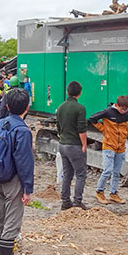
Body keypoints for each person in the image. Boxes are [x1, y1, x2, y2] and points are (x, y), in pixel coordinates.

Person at [0, 88, 34, 255]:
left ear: (7, 106)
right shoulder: (22, 130)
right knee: (12, 220)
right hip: (13, 179)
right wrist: (27, 188)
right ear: (27, 107)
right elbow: (24, 161)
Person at [89, 96, 128, 205]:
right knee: (107, 170)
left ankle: (114, 193)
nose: (124, 112)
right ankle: (99, 191)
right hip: (109, 145)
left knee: (116, 172)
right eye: (122, 109)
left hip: (121, 146)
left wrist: (124, 133)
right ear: (117, 105)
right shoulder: (108, 112)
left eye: (126, 109)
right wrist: (104, 129)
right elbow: (92, 118)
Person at [56, 81, 89, 210]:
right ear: (80, 93)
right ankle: (77, 201)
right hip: (74, 145)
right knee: (81, 174)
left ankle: (65, 201)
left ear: (67, 92)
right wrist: (84, 145)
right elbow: (82, 129)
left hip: (62, 144)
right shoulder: (80, 108)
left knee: (67, 174)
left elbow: (58, 126)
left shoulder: (61, 107)